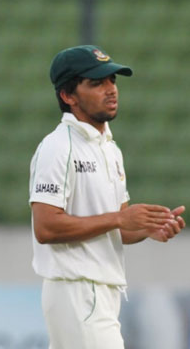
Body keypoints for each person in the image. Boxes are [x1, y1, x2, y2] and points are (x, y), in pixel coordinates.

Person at [29, 44, 186, 348]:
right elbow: (46, 228)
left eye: (112, 80)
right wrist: (120, 218)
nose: (111, 89)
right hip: (76, 291)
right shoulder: (58, 147)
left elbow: (119, 229)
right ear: (68, 95)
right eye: (97, 83)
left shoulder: (109, 149)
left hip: (103, 292)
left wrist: (148, 227)